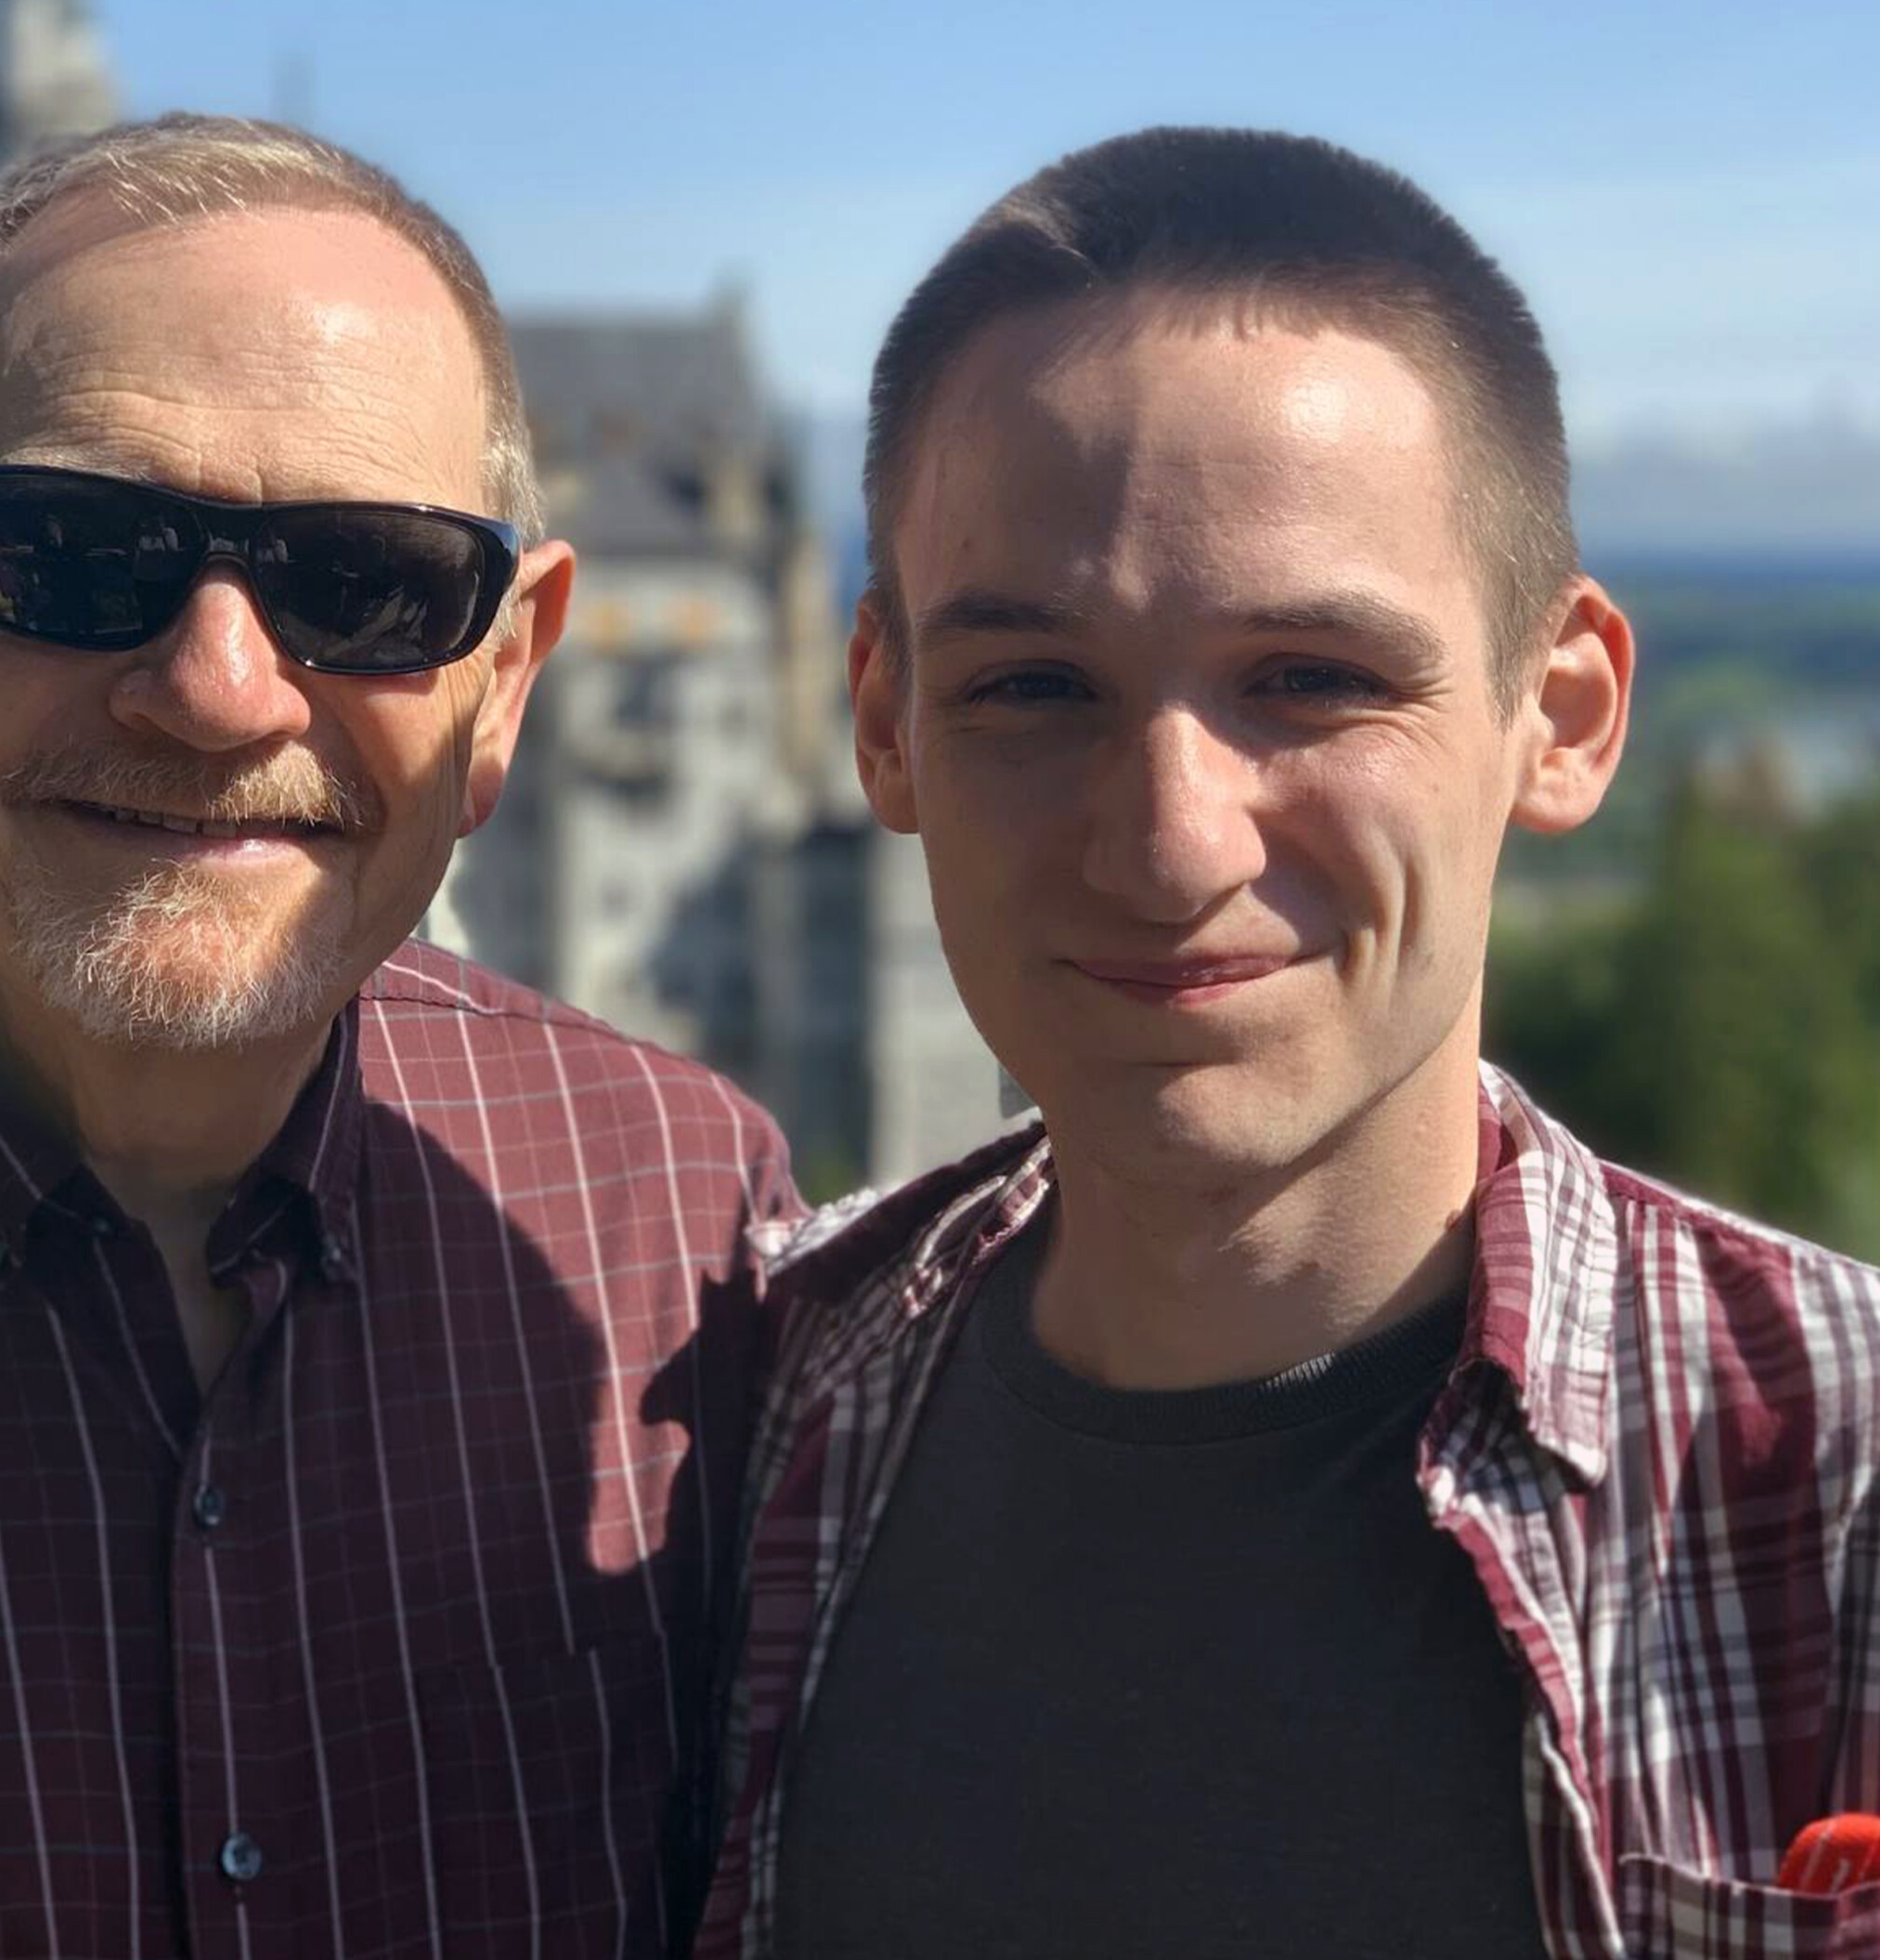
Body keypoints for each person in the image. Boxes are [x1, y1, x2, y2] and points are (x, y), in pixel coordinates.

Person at [0, 114, 797, 1959]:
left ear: (504, 683)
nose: (212, 686)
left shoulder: (677, 1219)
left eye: (363, 582)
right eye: (66, 548)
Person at [698, 127, 1880, 1959]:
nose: (1168, 843)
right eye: (1031, 688)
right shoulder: (737, 1423)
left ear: (1554, 719)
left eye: (1311, 679)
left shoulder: (1832, 1481)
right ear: (883, 729)